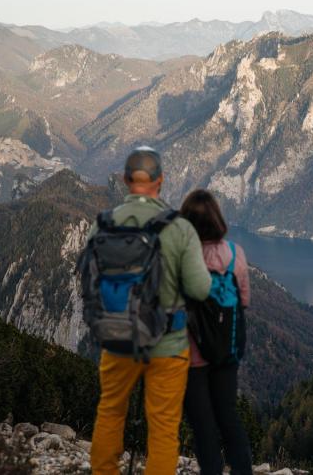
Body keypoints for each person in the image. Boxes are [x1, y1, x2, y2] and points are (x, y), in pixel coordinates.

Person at [90, 147, 212, 474]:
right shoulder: (180, 228)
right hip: (167, 344)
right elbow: (201, 289)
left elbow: (91, 282)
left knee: (111, 412)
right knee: (163, 426)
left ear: (125, 180)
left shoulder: (102, 224)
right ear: (161, 181)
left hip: (116, 339)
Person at [180, 189, 253, 475]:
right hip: (227, 352)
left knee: (204, 429)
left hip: (193, 356)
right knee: (229, 421)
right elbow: (243, 301)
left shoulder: (185, 258)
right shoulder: (236, 254)